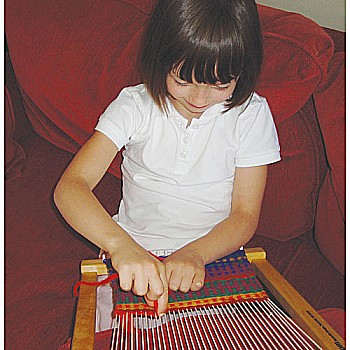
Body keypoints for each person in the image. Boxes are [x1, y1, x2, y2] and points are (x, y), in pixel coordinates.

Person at [54, 0, 280, 317]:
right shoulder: (134, 105)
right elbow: (71, 187)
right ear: (159, 61)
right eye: (183, 81)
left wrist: (195, 255)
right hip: (131, 254)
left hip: (214, 255)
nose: (199, 99)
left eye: (220, 84)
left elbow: (244, 215)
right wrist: (121, 247)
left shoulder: (251, 115)